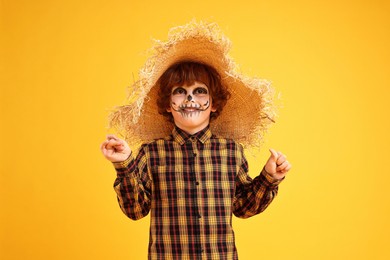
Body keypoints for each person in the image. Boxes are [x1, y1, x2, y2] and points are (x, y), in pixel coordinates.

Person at [101, 21, 291, 260]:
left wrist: (269, 178)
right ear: (168, 105)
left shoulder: (231, 152)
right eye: (179, 91)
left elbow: (243, 208)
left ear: (214, 104)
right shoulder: (151, 153)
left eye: (200, 91)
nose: (190, 98)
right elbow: (135, 210)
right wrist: (124, 163)